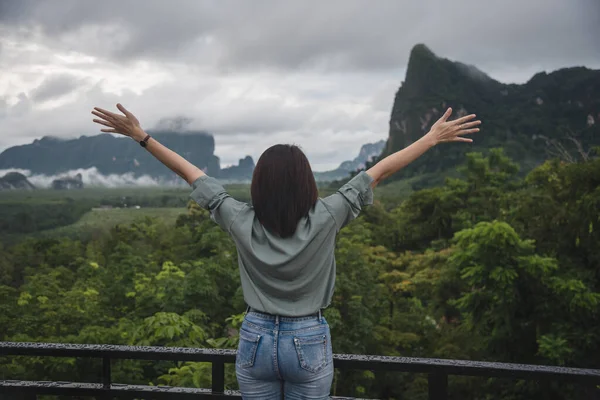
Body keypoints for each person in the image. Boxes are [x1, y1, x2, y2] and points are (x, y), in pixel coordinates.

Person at [92, 104, 480, 399]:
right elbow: (380, 171)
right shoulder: (328, 214)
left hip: (255, 337)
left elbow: (192, 173)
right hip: (307, 337)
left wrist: (141, 137)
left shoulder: (239, 219)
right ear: (307, 182)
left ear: (259, 184)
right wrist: (431, 138)